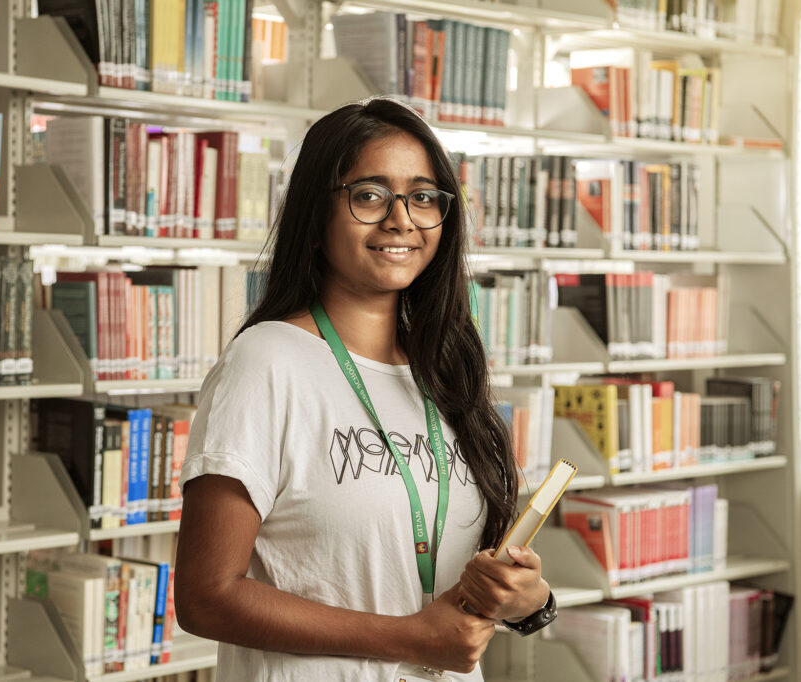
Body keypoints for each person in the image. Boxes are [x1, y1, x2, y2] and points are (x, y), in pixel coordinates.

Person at [174, 97, 554, 681]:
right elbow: (206, 597)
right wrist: (409, 637)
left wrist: (528, 601)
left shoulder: (446, 371)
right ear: (317, 214)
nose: (401, 219)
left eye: (423, 197)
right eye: (370, 195)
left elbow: (450, 584)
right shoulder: (267, 362)